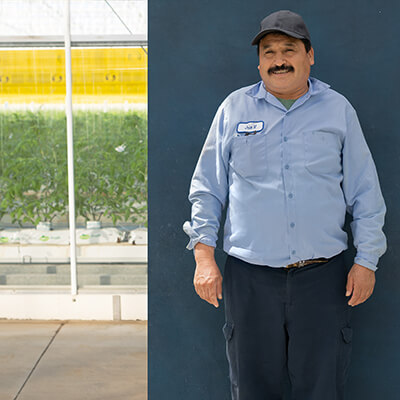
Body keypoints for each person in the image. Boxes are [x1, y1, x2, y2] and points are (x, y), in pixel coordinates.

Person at [183, 9, 386, 400]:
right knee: (252, 388)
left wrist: (366, 260)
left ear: (310, 55)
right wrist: (204, 258)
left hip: (323, 280)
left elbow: (365, 191)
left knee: (322, 387)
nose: (278, 60)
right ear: (259, 62)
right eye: (269, 52)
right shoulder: (233, 109)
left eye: (288, 49)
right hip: (250, 278)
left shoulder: (337, 109)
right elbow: (208, 187)